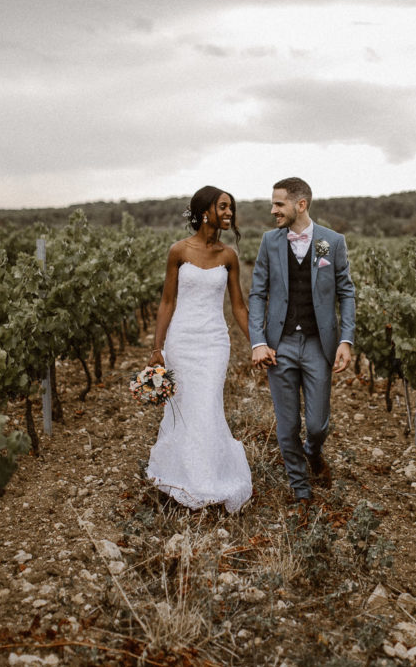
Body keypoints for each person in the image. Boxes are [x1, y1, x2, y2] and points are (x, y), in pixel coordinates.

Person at [249, 177, 356, 506]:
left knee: (317, 423)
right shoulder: (270, 241)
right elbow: (258, 293)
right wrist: (257, 341)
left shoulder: (330, 242)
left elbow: (346, 292)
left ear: (301, 204)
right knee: (287, 424)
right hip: (278, 345)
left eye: (279, 204)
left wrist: (346, 339)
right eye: (273, 204)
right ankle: (301, 489)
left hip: (316, 344)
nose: (273, 210)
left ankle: (313, 450)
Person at [145, 185, 252, 513]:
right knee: (185, 408)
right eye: (223, 207)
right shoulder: (178, 251)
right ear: (205, 210)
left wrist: (259, 344)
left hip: (214, 343)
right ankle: (182, 478)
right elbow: (167, 302)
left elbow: (238, 307)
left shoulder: (228, 256)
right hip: (182, 341)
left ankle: (209, 480)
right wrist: (157, 348)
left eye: (230, 208)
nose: (229, 213)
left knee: (207, 405)